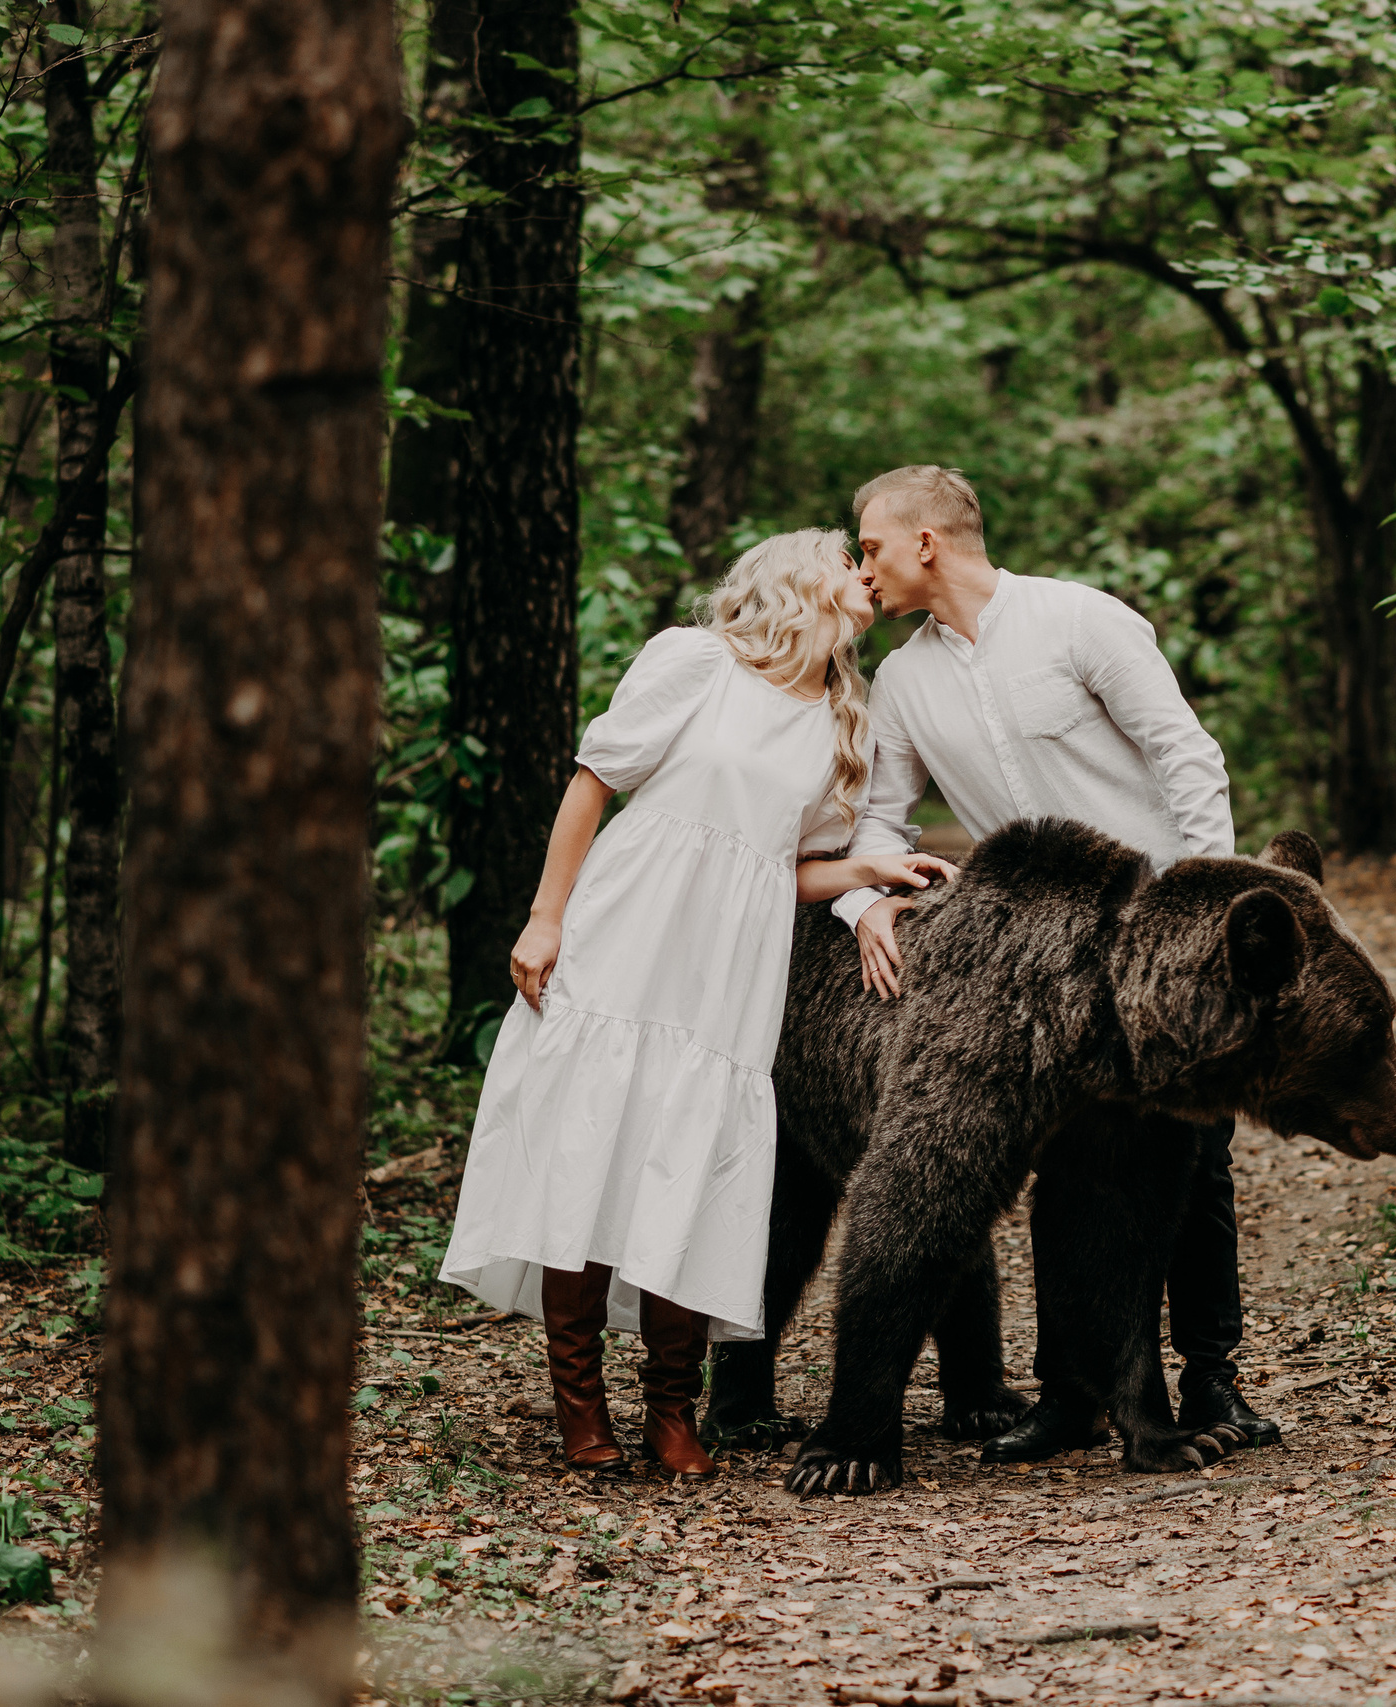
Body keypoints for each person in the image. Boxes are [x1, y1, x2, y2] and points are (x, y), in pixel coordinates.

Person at [438, 529, 959, 1479]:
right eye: (849, 557)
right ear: (798, 575)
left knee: (689, 1160)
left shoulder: (846, 714)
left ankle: (673, 1407)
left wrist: (870, 869)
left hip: (732, 957)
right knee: (591, 1150)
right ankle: (580, 1401)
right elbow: (592, 785)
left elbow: (784, 865)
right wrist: (545, 918)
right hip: (631, 925)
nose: (865, 573)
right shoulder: (695, 662)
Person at [828, 464, 1280, 1460]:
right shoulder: (902, 681)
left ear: (926, 543)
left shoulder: (1082, 622)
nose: (861, 568)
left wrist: (1199, 913)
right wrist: (861, 900)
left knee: (1189, 1161)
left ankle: (1213, 1380)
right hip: (1051, 965)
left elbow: (1185, 756)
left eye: (869, 545)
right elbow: (879, 823)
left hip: (1169, 929)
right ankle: (1070, 1397)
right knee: (1070, 1163)